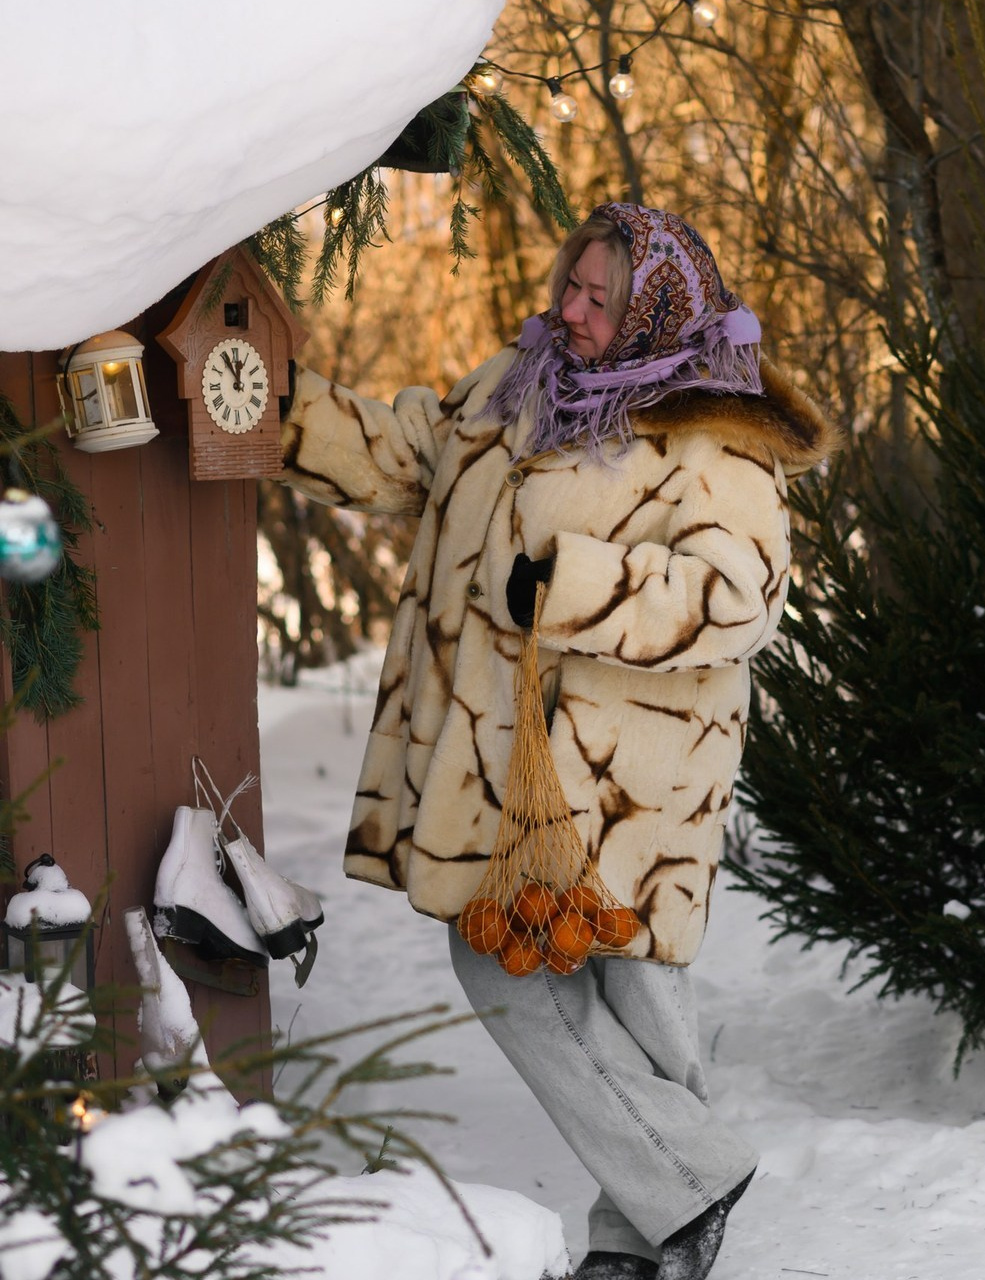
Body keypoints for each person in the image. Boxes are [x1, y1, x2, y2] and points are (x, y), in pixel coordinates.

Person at [278, 202, 837, 1280]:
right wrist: (272, 406)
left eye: (600, 299)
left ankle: (647, 1224)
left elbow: (738, 597)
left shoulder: (714, 430)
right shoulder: (514, 387)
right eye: (570, 285)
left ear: (656, 311)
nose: (571, 311)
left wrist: (571, 586)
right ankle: (683, 1191)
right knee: (508, 958)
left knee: (635, 992)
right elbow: (407, 456)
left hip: (636, 771)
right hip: (513, 766)